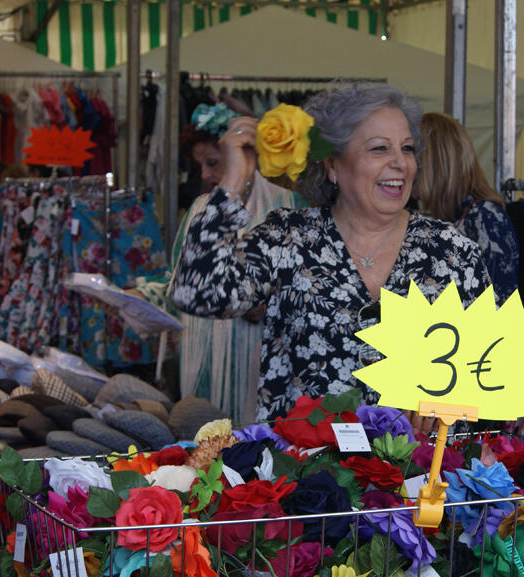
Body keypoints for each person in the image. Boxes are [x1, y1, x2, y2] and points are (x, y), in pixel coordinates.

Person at [169, 82, 493, 422]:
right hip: (304, 469)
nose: (401, 163)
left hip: (420, 470)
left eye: (408, 148)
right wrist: (233, 180)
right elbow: (197, 293)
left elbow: (488, 380)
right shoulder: (289, 238)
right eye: (380, 149)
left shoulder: (451, 252)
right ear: (333, 165)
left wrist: (447, 407)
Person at [133, 117, 305, 424]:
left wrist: (267, 303)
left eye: (213, 163)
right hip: (203, 361)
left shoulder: (292, 209)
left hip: (262, 367)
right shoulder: (200, 211)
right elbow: (178, 280)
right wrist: (136, 297)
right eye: (201, 164)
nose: (205, 174)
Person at [417, 112, 520, 304]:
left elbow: (501, 305)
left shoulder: (484, 217)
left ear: (432, 163)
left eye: (412, 154)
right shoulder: (450, 219)